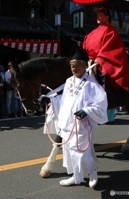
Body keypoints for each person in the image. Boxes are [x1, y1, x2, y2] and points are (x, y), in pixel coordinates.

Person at [47, 46, 108, 187]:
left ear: (84, 65)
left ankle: (92, 172)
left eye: (76, 65)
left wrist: (86, 110)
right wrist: (51, 100)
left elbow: (100, 103)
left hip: (82, 124)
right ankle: (76, 176)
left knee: (81, 151)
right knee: (70, 152)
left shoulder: (91, 84)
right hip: (68, 123)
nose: (73, 68)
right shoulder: (69, 81)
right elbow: (63, 100)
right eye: (71, 65)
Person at [83, 7, 129, 107]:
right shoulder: (91, 33)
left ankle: (104, 99)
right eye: (97, 15)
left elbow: (111, 49)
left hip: (100, 61)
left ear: (107, 17)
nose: (97, 17)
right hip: (89, 61)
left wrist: (98, 59)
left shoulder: (111, 32)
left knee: (102, 75)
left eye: (100, 15)